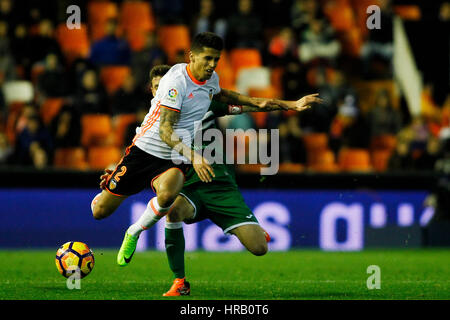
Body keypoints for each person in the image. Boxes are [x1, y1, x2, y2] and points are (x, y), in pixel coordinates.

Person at [100, 64, 322, 297]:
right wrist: (116, 174)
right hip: (188, 187)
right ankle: (180, 281)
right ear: (152, 90)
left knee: (259, 248)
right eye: (157, 87)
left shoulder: (202, 102)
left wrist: (291, 105)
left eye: (166, 85)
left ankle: (253, 228)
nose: (163, 90)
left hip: (220, 186)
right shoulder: (154, 123)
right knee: (173, 208)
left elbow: (253, 105)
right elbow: (138, 160)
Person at [91, 32, 308, 257]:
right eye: (208, 58)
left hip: (173, 157)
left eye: (216, 59)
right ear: (192, 56)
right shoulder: (176, 83)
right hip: (145, 152)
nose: (212, 64)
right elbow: (165, 131)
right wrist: (195, 156)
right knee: (100, 212)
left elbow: (246, 101)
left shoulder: (210, 81)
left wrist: (292, 104)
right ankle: (107, 194)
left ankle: (134, 231)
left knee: (166, 197)